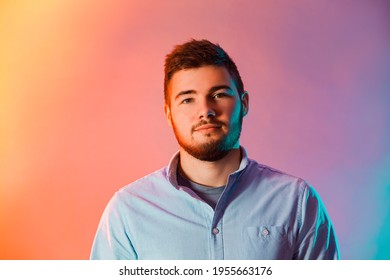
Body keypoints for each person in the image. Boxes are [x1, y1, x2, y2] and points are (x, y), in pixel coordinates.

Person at [90, 39, 340, 260]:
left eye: (219, 95)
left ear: (243, 104)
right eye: (187, 99)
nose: (205, 110)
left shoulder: (296, 201)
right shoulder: (128, 210)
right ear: (168, 114)